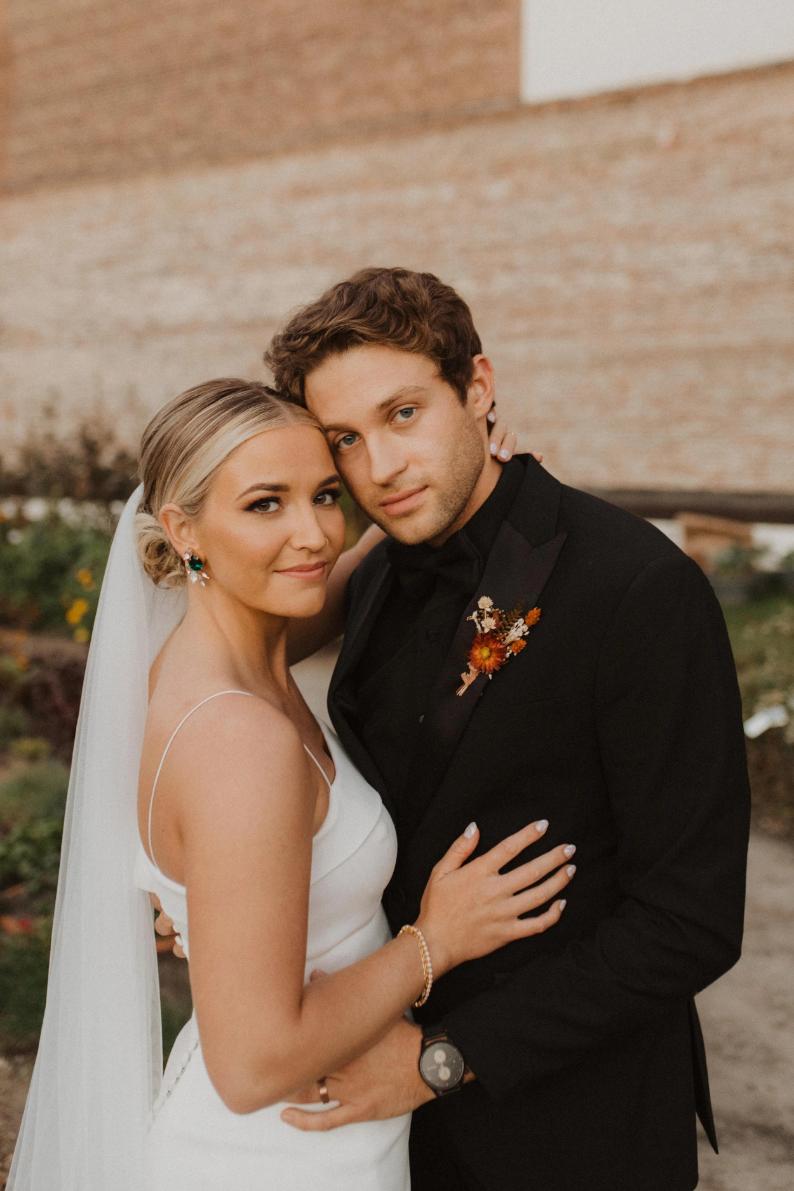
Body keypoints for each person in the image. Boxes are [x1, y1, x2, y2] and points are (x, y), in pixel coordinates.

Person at [7, 379, 575, 1191]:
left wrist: (457, 485)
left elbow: (359, 572)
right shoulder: (242, 739)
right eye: (265, 503)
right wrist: (436, 939)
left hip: (311, 1141)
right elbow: (254, 1063)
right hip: (275, 1155)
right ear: (183, 528)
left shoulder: (222, 650)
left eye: (325, 496)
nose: (312, 535)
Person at [258, 268, 751, 1191]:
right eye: (346, 440)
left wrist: (442, 1058)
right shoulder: (372, 575)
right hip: (388, 1132)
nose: (380, 467)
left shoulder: (638, 588)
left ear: (478, 387)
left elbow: (690, 919)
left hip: (577, 1133)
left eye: (404, 413)